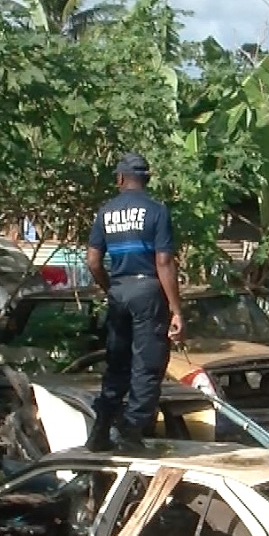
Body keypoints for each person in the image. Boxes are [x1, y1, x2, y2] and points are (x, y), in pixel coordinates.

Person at [85, 152, 184, 452]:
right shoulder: (156, 211)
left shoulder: (105, 213)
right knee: (148, 364)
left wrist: (110, 288)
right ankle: (131, 431)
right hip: (148, 291)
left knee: (117, 362)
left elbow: (92, 261)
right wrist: (176, 310)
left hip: (119, 291)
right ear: (146, 178)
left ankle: (101, 430)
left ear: (120, 178)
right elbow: (164, 262)